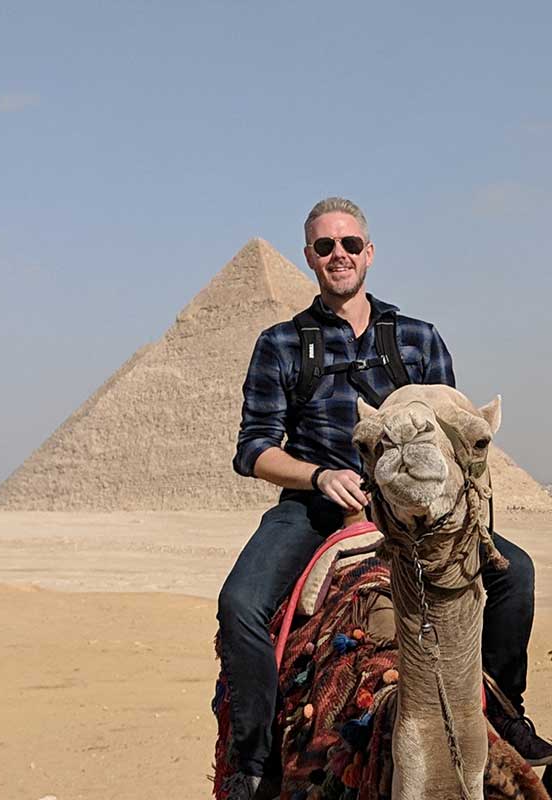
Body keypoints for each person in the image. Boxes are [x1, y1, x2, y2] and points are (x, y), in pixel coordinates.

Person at [217, 196, 550, 798]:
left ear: (369, 253)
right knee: (240, 604)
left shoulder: (419, 338)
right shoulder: (281, 343)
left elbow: (455, 435)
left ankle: (502, 712)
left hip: (411, 508)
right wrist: (318, 477)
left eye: (349, 244)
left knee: (516, 574)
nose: (338, 255)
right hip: (316, 505)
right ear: (309, 259)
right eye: (324, 247)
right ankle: (253, 760)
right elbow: (255, 449)